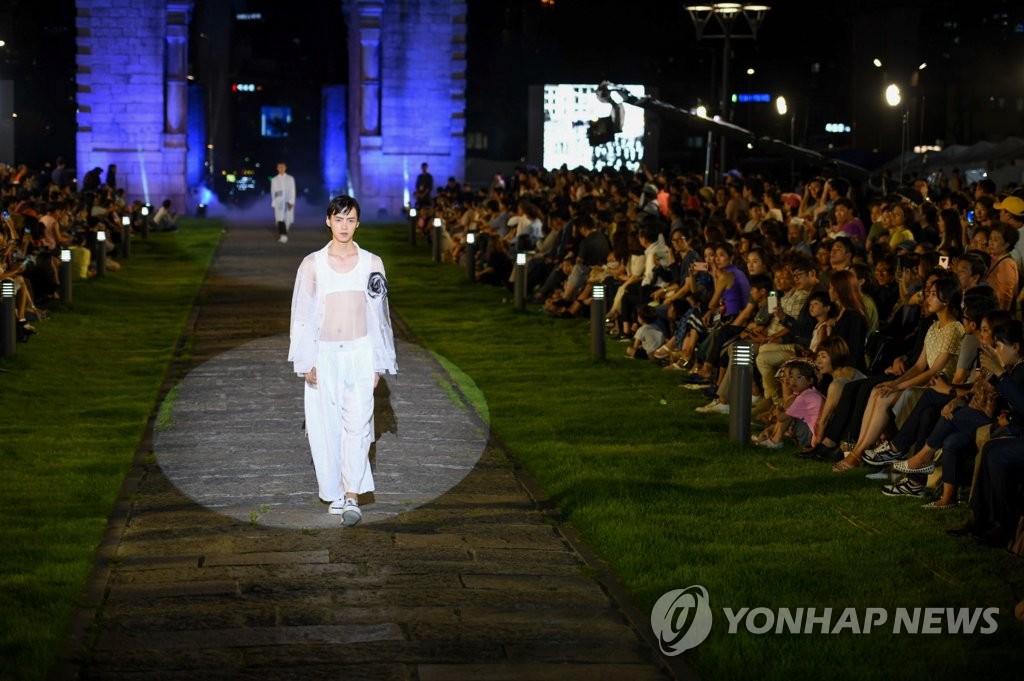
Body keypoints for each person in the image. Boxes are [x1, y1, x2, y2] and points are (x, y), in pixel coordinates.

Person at [288, 195, 398, 526]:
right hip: (324, 354)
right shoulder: (312, 264)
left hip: (360, 352)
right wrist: (306, 359)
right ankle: (335, 491)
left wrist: (379, 360)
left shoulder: (372, 263)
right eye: (339, 219)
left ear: (358, 223)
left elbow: (380, 315)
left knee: (358, 425)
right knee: (325, 427)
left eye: (351, 220)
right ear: (328, 221)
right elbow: (302, 316)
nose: (344, 226)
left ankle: (352, 496)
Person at [271, 162, 297, 243]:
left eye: (283, 167)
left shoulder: (290, 178)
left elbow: (293, 190)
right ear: (277, 168)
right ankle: (283, 235)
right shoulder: (274, 179)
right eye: (279, 167)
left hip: (288, 201)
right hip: (279, 201)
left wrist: (292, 201)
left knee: (288, 220)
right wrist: (274, 201)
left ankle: (284, 232)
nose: (281, 168)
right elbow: (273, 191)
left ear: (285, 168)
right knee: (280, 219)